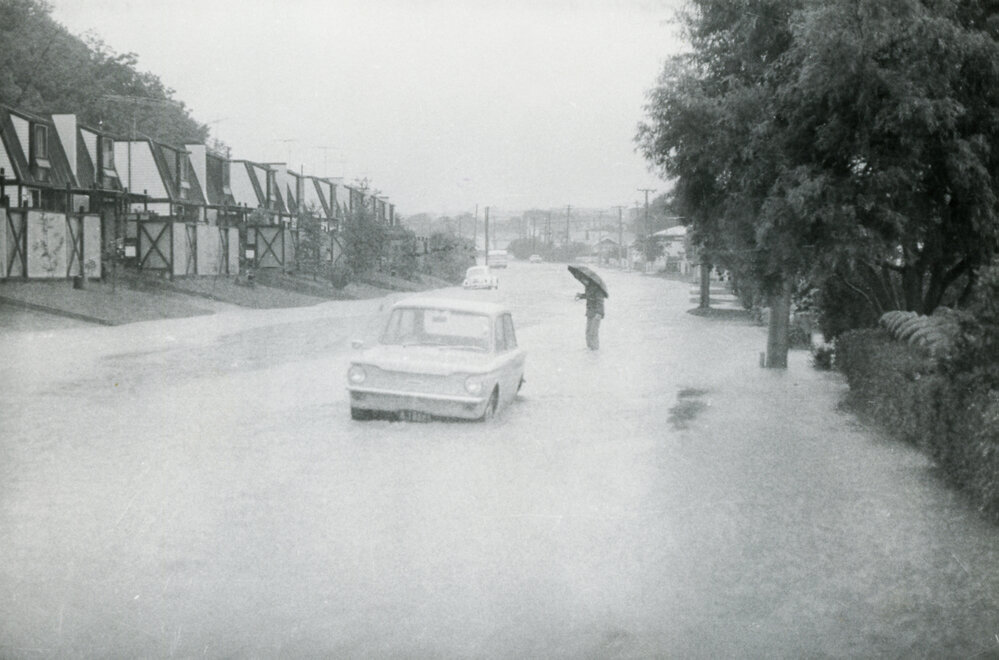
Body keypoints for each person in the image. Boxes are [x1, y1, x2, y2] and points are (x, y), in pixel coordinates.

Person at [576, 280, 607, 350]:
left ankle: (595, 350)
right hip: (589, 313)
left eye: (584, 279)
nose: (583, 281)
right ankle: (589, 349)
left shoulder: (598, 289)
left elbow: (600, 302)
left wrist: (599, 314)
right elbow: (589, 295)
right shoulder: (588, 287)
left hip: (596, 314)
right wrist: (581, 295)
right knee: (588, 332)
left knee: (593, 333)